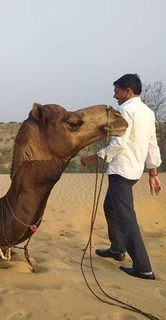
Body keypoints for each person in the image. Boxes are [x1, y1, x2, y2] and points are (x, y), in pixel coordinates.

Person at [81, 73, 162, 280]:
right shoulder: (147, 112)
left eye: (117, 91)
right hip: (134, 171)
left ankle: (143, 268)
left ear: (128, 91)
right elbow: (152, 142)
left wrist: (94, 157)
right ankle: (117, 249)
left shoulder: (125, 111)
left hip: (122, 171)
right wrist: (153, 171)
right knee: (110, 207)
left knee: (126, 219)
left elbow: (119, 143)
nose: (114, 95)